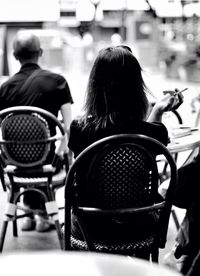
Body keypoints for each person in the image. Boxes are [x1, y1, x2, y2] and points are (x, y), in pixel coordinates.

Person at [68, 45, 183, 256]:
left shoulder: (80, 129)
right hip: (137, 225)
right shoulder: (150, 134)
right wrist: (157, 110)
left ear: (95, 84)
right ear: (136, 86)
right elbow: (148, 133)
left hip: (92, 228)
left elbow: (73, 179)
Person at [0, 30, 73, 232]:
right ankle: (43, 215)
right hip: (48, 163)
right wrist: (60, 156)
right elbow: (69, 128)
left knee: (25, 150)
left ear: (14, 56)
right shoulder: (58, 82)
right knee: (50, 151)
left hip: (14, 163)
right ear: (40, 52)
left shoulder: (4, 89)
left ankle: (30, 214)